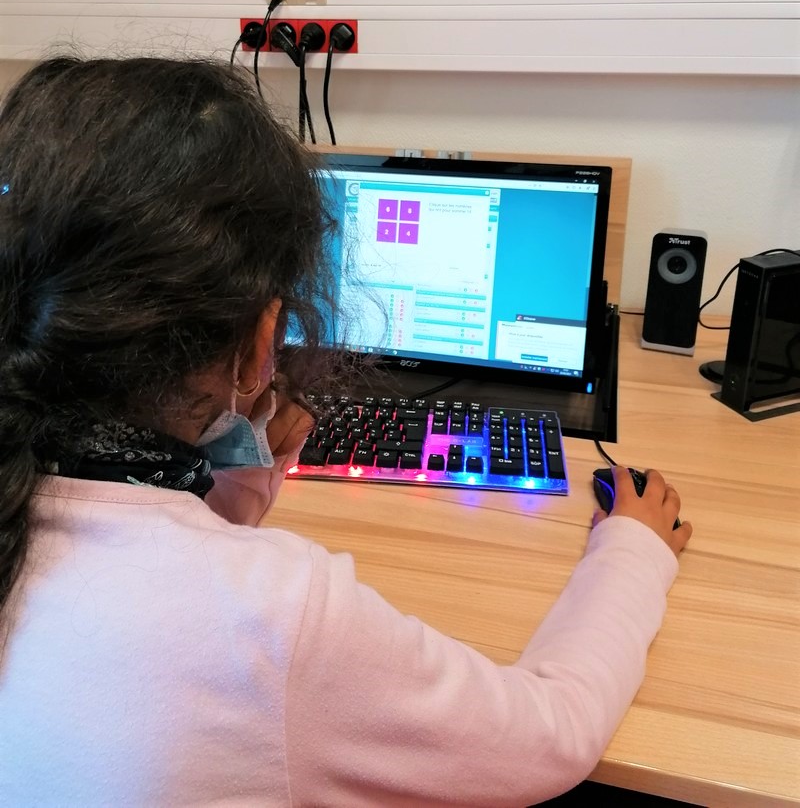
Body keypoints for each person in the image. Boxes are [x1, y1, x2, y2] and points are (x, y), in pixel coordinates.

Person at [0, 56, 692, 807]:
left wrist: (239, 473)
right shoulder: (280, 616)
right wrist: (634, 549)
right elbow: (549, 737)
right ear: (261, 342)